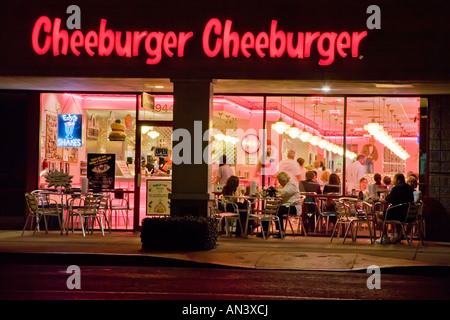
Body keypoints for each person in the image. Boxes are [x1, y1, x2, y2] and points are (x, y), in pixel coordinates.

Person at [375, 173, 414, 244]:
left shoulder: (397, 188)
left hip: (399, 214)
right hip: (408, 215)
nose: (393, 180)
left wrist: (377, 199)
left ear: (398, 180)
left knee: (378, 215)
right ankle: (397, 235)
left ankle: (384, 236)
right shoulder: (409, 188)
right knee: (395, 212)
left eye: (394, 179)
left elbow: (386, 201)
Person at [261, 172, 302, 238]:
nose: (279, 182)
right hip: (286, 206)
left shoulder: (292, 184)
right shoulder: (283, 186)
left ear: (283, 180)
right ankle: (264, 231)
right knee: (268, 209)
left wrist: (275, 191)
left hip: (293, 207)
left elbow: (285, 192)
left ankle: (281, 231)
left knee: (278, 210)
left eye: (280, 180)